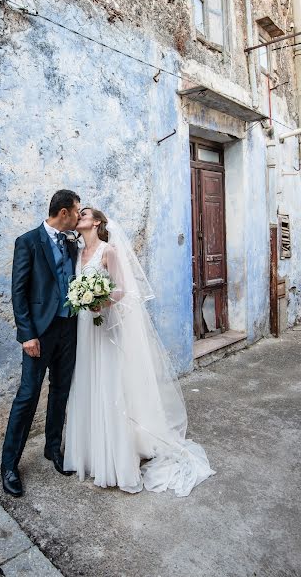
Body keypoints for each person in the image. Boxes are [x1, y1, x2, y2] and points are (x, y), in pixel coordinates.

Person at [64, 208, 215, 495]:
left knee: (109, 384)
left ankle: (115, 457)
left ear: (97, 222)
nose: (80, 216)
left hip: (105, 324)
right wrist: (82, 300)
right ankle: (90, 453)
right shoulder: (78, 251)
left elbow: (122, 291)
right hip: (85, 327)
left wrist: (99, 300)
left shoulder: (109, 251)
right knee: (87, 381)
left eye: (85, 214)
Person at [1, 189, 81, 497]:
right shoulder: (28, 241)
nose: (78, 216)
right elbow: (18, 292)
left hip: (68, 329)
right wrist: (27, 335)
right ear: (63, 213)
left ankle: (53, 449)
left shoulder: (73, 244)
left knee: (61, 391)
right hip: (39, 334)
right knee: (27, 395)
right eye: (76, 211)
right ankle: (9, 465)